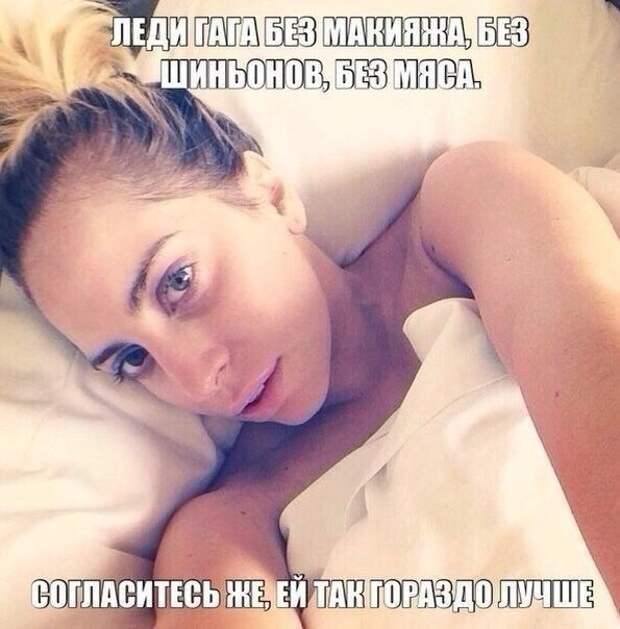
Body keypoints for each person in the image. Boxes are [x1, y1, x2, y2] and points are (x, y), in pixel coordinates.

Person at [0, 1, 618, 626]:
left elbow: (592, 353)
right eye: (133, 359)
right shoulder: (219, 533)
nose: (195, 378)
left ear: (267, 193)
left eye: (178, 282)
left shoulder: (468, 211)